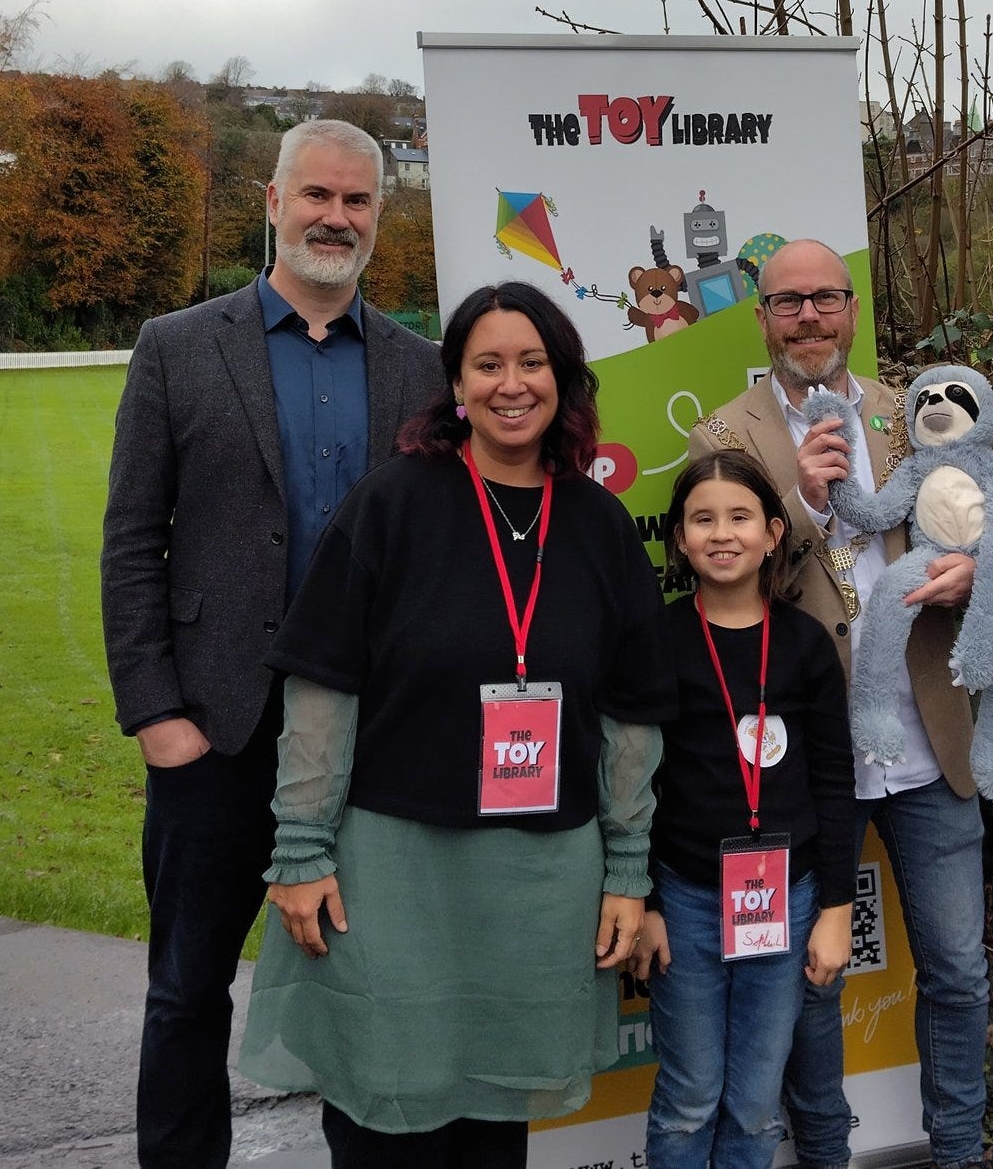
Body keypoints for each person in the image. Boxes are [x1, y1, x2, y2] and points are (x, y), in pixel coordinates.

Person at [241, 280, 673, 1169]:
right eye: (488, 364)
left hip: (543, 881)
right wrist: (300, 849)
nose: (511, 384)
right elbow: (324, 689)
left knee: (494, 1123)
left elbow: (632, 716)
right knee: (381, 1113)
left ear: (564, 380)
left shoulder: (600, 525)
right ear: (457, 384)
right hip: (396, 874)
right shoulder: (391, 505)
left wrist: (628, 867)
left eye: (532, 362)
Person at [100, 118, 442, 1169]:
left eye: (356, 203)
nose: (334, 218)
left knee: (362, 989)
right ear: (273, 202)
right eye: (317, 196)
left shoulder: (421, 370)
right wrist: (158, 718)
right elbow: (129, 540)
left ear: (378, 220)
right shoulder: (178, 347)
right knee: (187, 989)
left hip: (369, 746)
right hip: (216, 729)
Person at [688, 239, 993, 1169]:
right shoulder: (724, 437)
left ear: (853, 309)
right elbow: (721, 578)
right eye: (788, 303)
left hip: (927, 743)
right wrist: (807, 502)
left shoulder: (921, 413)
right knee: (810, 977)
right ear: (762, 319)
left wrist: (976, 568)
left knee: (958, 968)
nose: (809, 317)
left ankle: (960, 1150)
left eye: (825, 298)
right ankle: (824, 1153)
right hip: (804, 755)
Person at [631, 449, 858, 1169]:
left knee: (757, 1105)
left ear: (772, 534)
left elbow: (833, 776)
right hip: (687, 898)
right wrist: (642, 898)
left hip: (785, 903)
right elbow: (629, 783)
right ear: (678, 539)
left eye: (739, 517)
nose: (720, 533)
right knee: (690, 1095)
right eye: (702, 518)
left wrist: (834, 906)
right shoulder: (657, 641)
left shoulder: (804, 644)